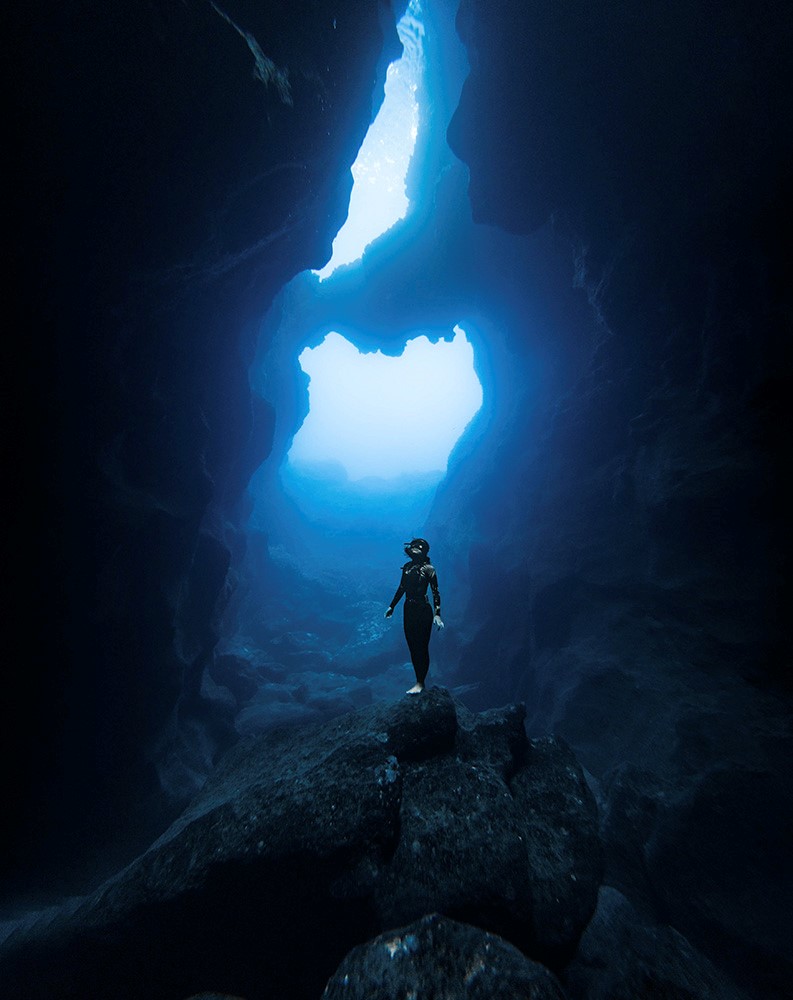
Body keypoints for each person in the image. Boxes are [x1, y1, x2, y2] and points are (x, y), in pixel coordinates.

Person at [385, 538, 444, 694]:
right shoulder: (406, 567)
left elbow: (435, 592)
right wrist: (392, 606)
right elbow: (402, 588)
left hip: (423, 609)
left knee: (422, 647)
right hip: (408, 608)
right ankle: (419, 680)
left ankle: (421, 682)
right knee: (412, 647)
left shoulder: (430, 569)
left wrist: (437, 614)